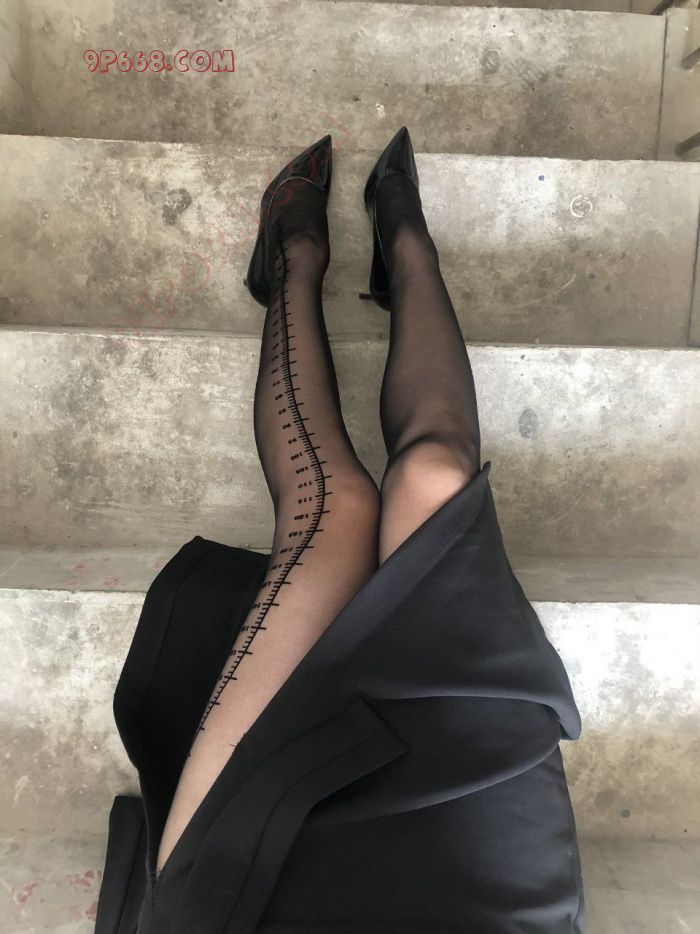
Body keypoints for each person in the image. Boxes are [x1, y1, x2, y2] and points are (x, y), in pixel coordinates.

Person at [95, 128, 586, 934]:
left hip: (247, 895)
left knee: (335, 509)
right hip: (476, 895)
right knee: (435, 475)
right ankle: (406, 238)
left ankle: (294, 256)